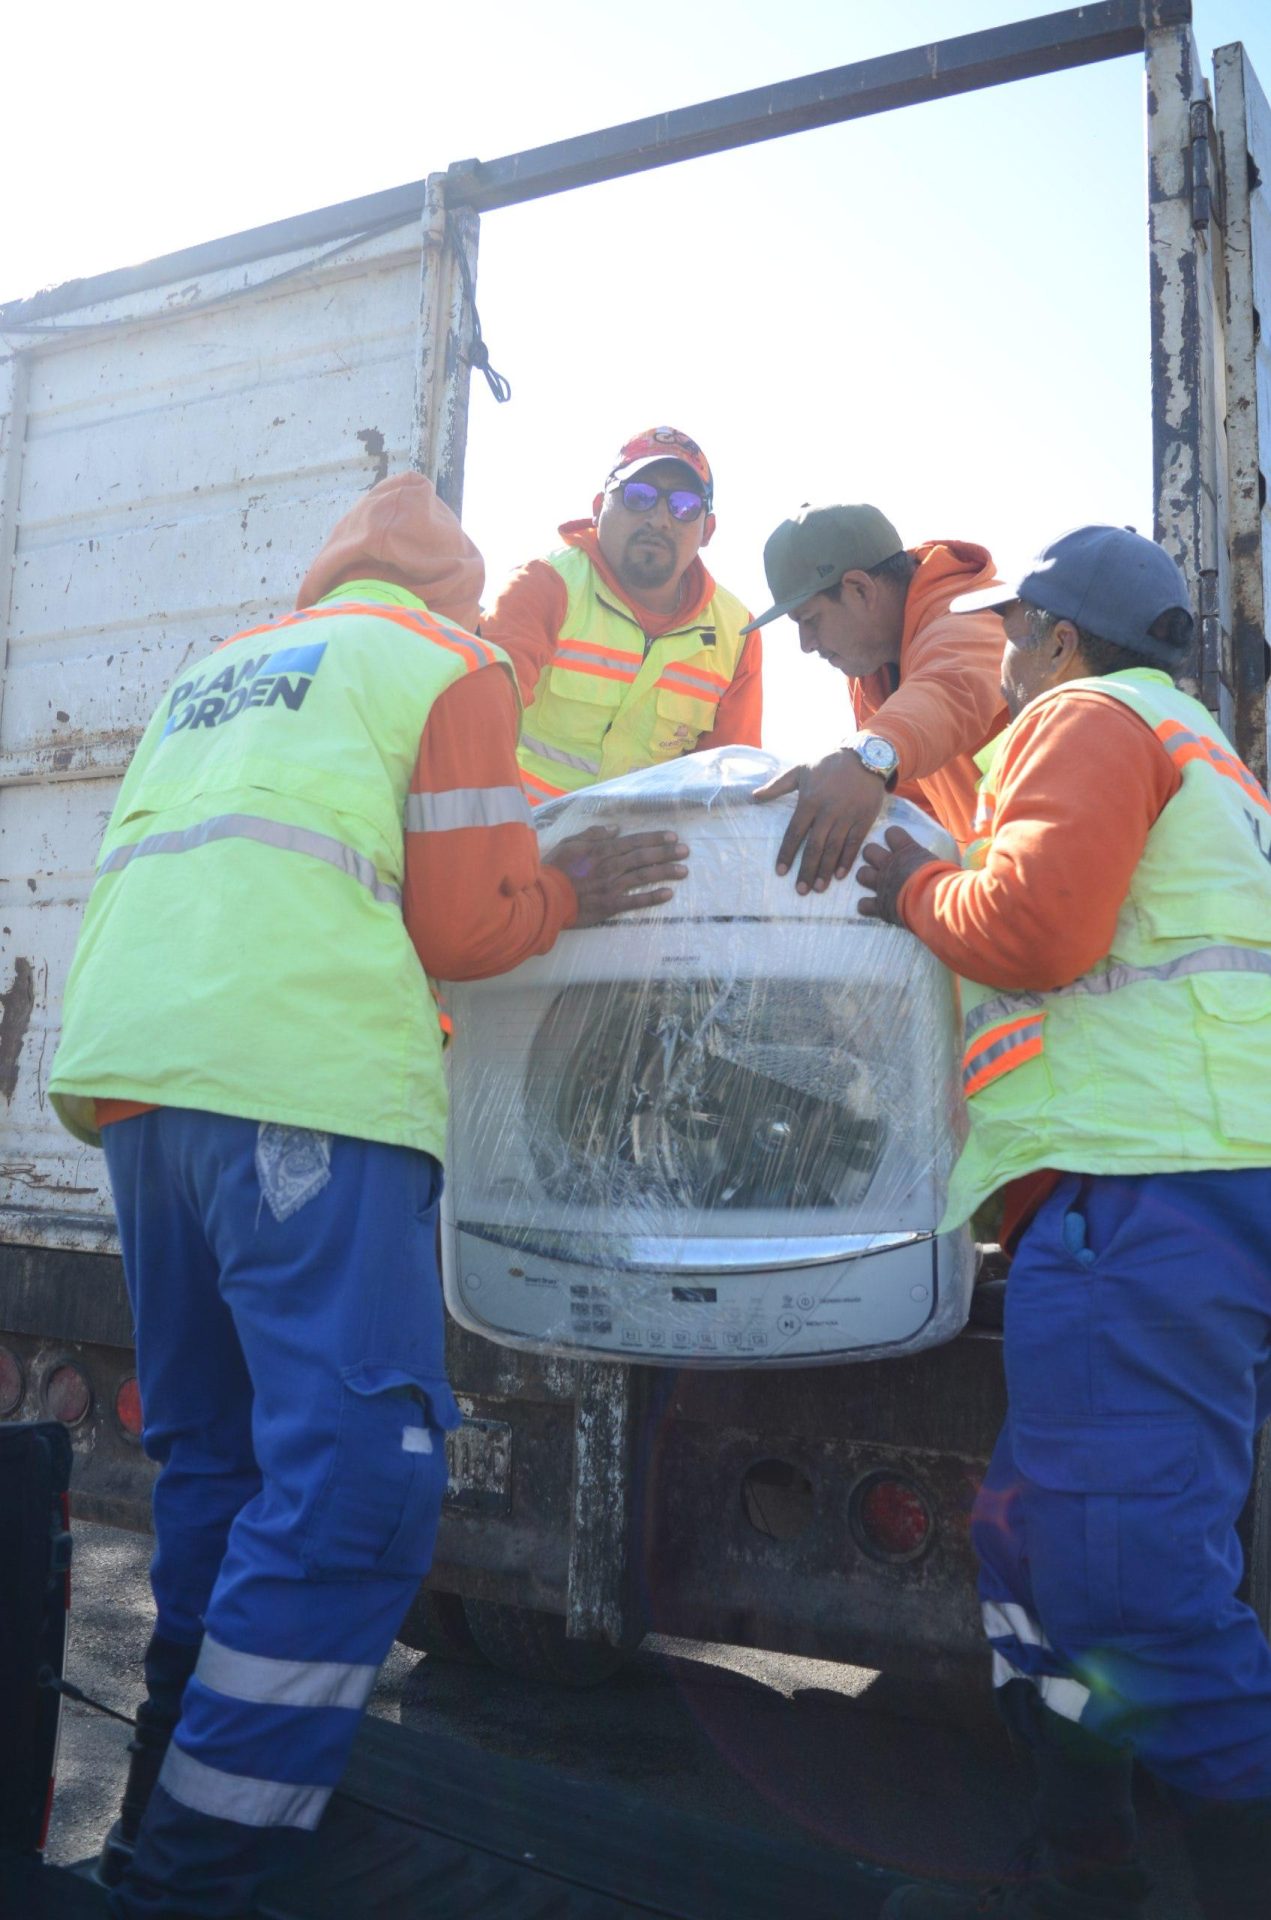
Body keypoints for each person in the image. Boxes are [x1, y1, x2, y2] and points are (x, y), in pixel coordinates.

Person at [47, 472, 688, 1919]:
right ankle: (210, 1865)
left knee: (216, 1469)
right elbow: (462, 925)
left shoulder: (219, 669)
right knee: (354, 1487)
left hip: (144, 1091)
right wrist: (567, 884)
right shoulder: (451, 664)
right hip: (306, 1088)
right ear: (458, 593)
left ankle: (170, 1787)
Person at [856, 526, 1271, 1920]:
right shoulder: (1198, 751)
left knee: (1126, 1588)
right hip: (1156, 1192)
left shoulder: (1087, 717)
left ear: (1060, 639)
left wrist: (910, 887)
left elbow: (1034, 930)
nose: (1004, 659)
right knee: (1032, 1553)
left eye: (1015, 632)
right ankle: (1075, 1867)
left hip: (1135, 1195)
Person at [480, 425, 762, 805]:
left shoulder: (738, 634)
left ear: (707, 530)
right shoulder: (543, 587)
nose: (661, 519)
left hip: (650, 857)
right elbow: (474, 733)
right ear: (598, 509)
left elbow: (726, 789)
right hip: (525, 842)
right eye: (639, 496)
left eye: (683, 506)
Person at [744, 503, 1008, 892]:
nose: (806, 644)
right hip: (1004, 889)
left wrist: (865, 756)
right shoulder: (872, 671)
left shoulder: (968, 613)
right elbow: (913, 809)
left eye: (810, 620)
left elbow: (949, 689)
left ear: (860, 589)